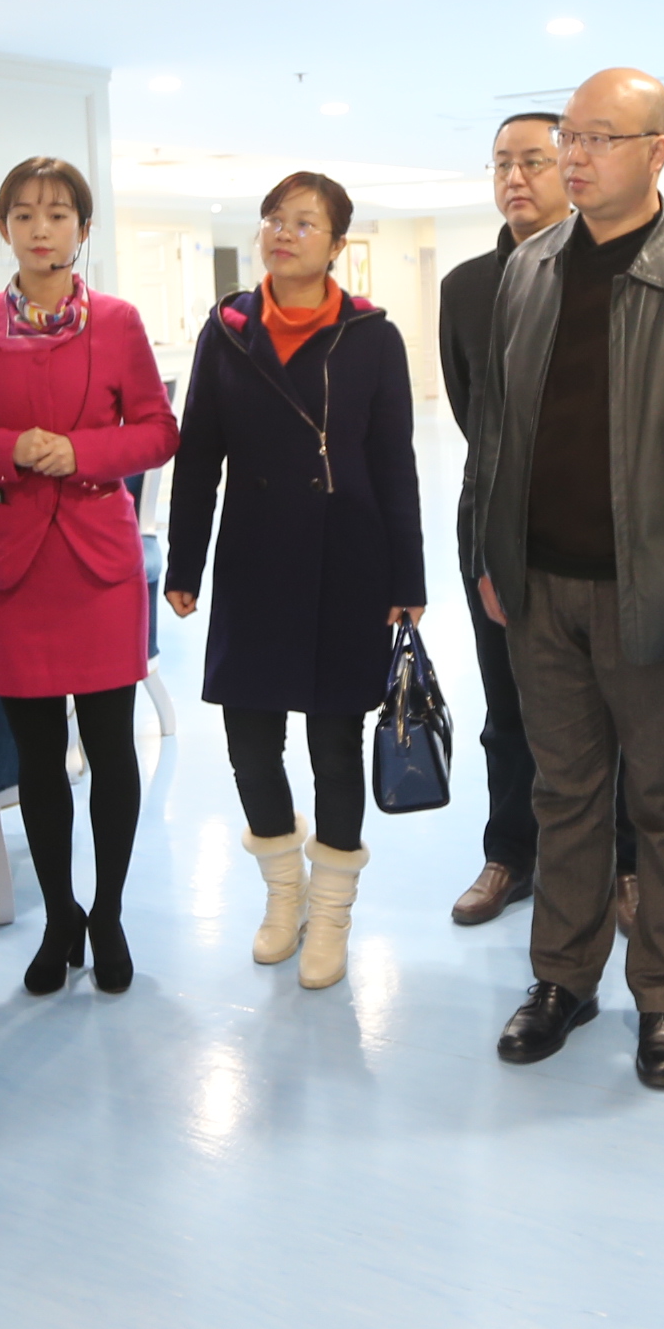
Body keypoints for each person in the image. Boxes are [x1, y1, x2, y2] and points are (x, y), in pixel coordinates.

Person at [464, 66, 664, 1091]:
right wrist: (490, 556)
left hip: (657, 593)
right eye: (569, 135)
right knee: (563, 792)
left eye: (598, 137)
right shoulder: (529, 269)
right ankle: (563, 977)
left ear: (657, 151)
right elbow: (496, 434)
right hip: (538, 587)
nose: (573, 155)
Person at [0, 157, 179, 995]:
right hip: (15, 568)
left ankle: (108, 915)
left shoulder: (118, 321)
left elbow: (157, 432)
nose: (42, 229)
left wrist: (82, 452)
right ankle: (59, 916)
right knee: (37, 757)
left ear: (83, 230)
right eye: (26, 214)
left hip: (99, 564)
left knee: (111, 748)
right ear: (4, 227)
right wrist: (9, 449)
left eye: (59, 214)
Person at [164, 171, 425, 989]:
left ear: (338, 244)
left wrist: (409, 576)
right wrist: (183, 562)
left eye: (304, 223)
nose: (283, 233)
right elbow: (199, 456)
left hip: (348, 558)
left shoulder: (371, 336)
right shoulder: (227, 332)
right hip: (252, 556)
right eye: (274, 219)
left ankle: (333, 913)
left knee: (334, 742)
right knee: (250, 743)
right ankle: (285, 894)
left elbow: (395, 463)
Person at [435, 111, 640, 926]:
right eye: (501, 165)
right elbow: (472, 411)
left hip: (604, 534)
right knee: (508, 707)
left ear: (573, 169)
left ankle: (626, 864)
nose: (515, 179)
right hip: (497, 532)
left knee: (617, 709)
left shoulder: (616, 272)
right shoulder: (466, 289)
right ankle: (510, 855)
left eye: (533, 162)